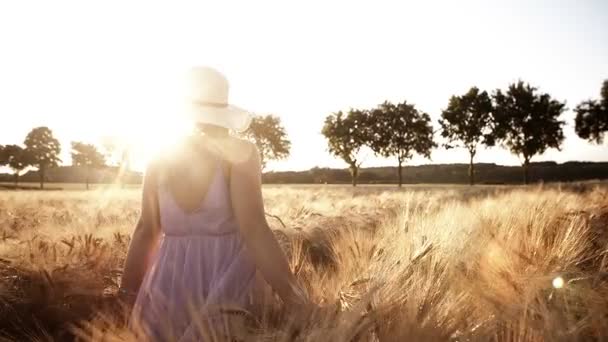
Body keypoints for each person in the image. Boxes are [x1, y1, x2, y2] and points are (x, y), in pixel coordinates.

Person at [119, 67, 309, 340]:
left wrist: (126, 296)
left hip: (167, 284)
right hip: (228, 280)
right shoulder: (240, 152)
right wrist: (297, 300)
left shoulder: (159, 157)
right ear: (223, 109)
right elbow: (254, 229)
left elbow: (146, 230)